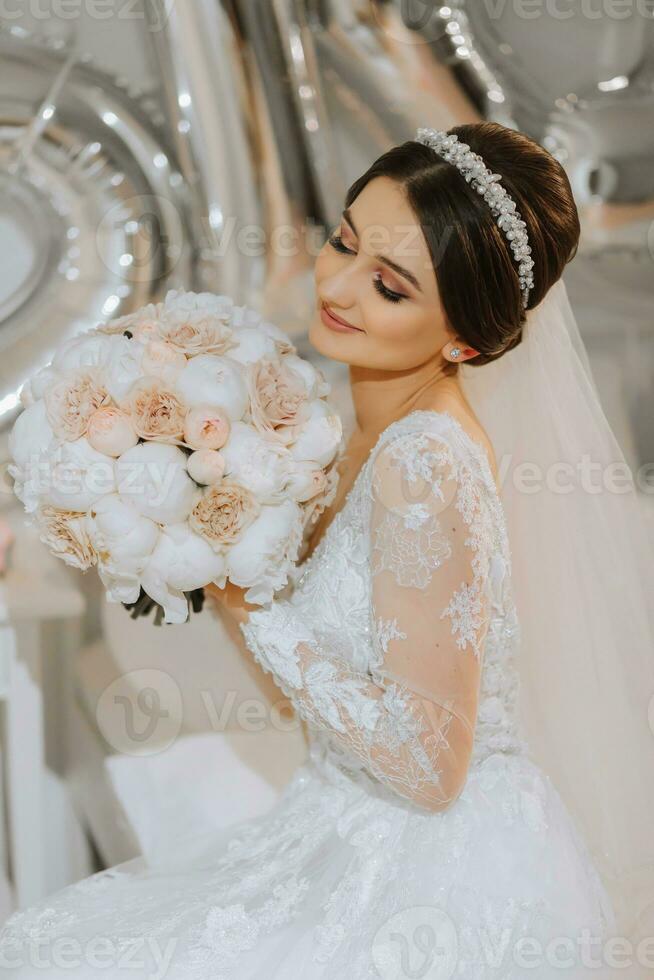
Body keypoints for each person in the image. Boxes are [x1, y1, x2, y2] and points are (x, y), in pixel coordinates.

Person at [1, 122, 652, 979]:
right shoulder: (362, 433)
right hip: (342, 818)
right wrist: (210, 540)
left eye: (387, 285)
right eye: (345, 239)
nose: (339, 285)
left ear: (464, 339)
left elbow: (430, 768)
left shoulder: (424, 464)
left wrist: (250, 599)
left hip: (439, 876)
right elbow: (306, 707)